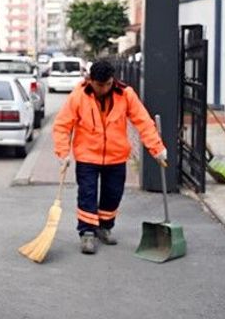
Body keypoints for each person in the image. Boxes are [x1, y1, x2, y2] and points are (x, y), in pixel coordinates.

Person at [53, 60, 168, 255]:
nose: (104, 89)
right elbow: (62, 125)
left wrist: (156, 148)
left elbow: (143, 122)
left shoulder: (125, 94)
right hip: (87, 156)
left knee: (113, 194)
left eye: (108, 84)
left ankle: (104, 227)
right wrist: (63, 153)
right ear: (91, 81)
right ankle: (87, 232)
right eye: (100, 85)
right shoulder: (79, 95)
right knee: (87, 194)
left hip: (116, 156)